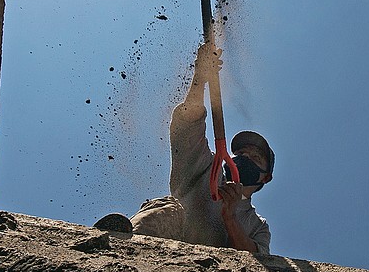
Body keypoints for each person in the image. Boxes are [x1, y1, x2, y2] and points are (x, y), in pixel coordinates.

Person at [94, 42, 275, 255]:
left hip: (210, 270)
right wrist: (200, 77)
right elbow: (187, 128)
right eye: (241, 153)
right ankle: (118, 251)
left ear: (265, 177)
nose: (245, 157)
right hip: (162, 247)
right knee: (169, 209)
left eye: (255, 157)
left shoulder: (258, 226)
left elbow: (256, 260)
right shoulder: (208, 169)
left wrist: (230, 216)